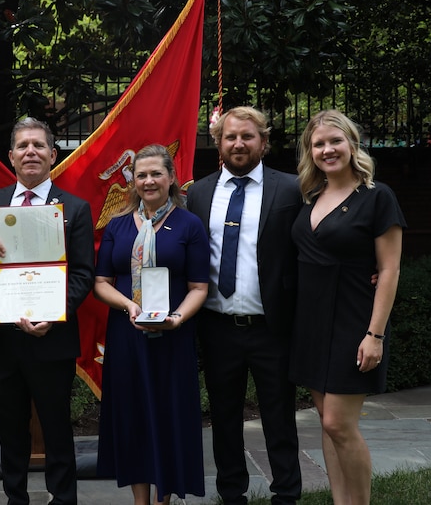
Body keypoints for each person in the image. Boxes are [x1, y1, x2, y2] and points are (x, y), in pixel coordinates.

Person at [0, 117, 95, 504]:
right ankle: (15, 498)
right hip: (4, 339)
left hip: (51, 337)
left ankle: (63, 498)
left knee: (57, 428)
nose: (30, 152)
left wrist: (52, 315)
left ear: (53, 154)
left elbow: (84, 274)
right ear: (11, 156)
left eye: (38, 145)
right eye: (22, 146)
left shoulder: (75, 208)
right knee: (9, 429)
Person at [186, 106, 303, 505]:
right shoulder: (198, 192)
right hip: (217, 326)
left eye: (248, 136)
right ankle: (231, 493)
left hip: (272, 326)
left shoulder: (291, 188)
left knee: (279, 416)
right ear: (218, 143)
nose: (239, 143)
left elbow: (315, 242)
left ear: (264, 142)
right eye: (230, 136)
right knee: (223, 416)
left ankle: (286, 493)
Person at [289, 110, 405, 505]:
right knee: (326, 423)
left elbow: (389, 269)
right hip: (310, 322)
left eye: (335, 141)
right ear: (310, 152)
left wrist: (375, 335)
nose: (327, 150)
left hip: (354, 321)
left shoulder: (377, 196)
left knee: (340, 423)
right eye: (318, 144)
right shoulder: (310, 196)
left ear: (352, 144)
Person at [93, 144, 209, 505]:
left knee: (168, 415)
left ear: (171, 178)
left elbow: (199, 287)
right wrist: (129, 305)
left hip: (173, 337)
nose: (148, 181)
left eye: (156, 173)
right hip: (127, 336)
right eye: (141, 174)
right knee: (134, 417)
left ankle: (164, 500)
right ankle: (140, 501)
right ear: (133, 181)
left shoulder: (189, 224)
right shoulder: (117, 225)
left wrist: (177, 318)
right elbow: (101, 283)